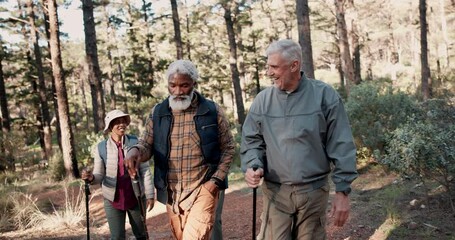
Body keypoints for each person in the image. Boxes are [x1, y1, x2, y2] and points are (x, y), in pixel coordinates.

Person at [240, 39, 358, 240]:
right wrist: (253, 164)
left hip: (313, 193)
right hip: (276, 194)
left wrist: (343, 192)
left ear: (294, 65)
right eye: (268, 66)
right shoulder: (262, 101)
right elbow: (252, 141)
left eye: (274, 67)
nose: (269, 72)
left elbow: (341, 144)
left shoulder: (324, 96)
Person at [124, 59, 235, 240]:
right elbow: (146, 144)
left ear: (194, 84)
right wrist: (134, 150)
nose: (177, 91)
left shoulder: (212, 111)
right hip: (172, 193)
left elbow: (229, 147)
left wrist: (214, 182)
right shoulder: (158, 112)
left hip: (203, 188)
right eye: (172, 85)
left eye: (184, 86)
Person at [81, 109, 154, 240]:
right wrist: (91, 178)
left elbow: (145, 170)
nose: (122, 124)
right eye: (117, 122)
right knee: (117, 237)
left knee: (141, 235)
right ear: (110, 127)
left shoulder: (135, 142)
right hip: (112, 199)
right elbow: (99, 174)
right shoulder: (101, 147)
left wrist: (149, 194)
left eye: (123, 121)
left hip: (135, 196)